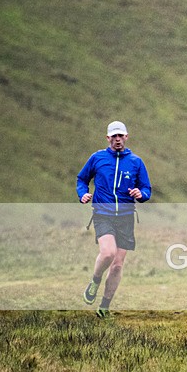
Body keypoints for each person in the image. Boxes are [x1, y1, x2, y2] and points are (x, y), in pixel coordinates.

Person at [77, 121, 151, 318]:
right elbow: (82, 179)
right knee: (108, 253)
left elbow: (147, 189)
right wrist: (82, 194)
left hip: (125, 217)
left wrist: (140, 194)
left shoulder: (136, 162)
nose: (117, 140)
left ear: (126, 137)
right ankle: (95, 279)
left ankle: (104, 306)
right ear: (108, 138)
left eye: (121, 136)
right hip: (103, 214)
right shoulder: (97, 158)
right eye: (114, 136)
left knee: (118, 264)